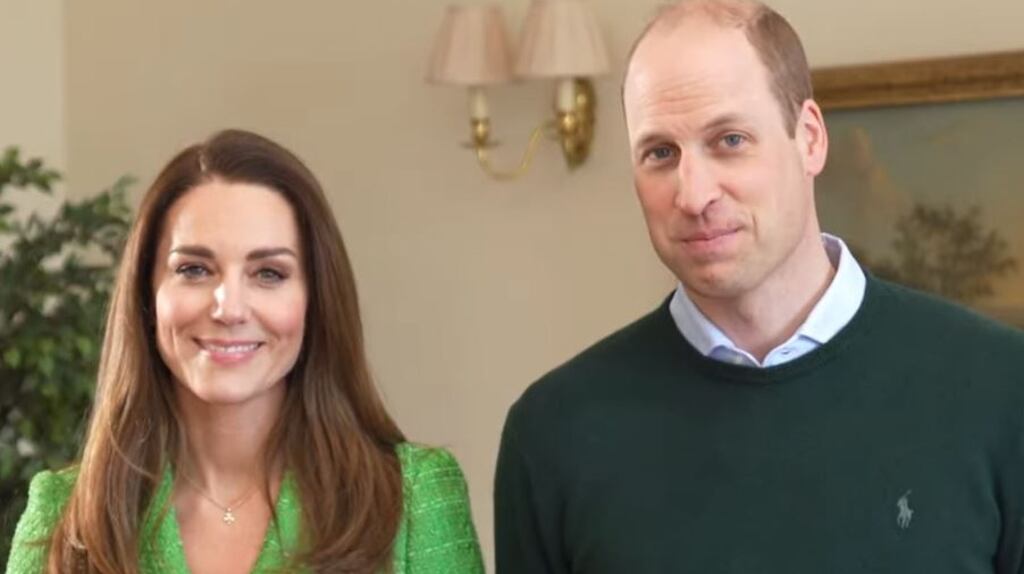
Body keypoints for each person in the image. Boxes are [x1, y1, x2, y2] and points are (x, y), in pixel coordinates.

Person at [494, 1, 1024, 572]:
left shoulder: (1002, 389)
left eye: (730, 140)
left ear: (811, 139)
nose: (693, 195)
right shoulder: (553, 433)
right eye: (660, 153)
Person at [7, 129, 484, 573]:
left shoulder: (414, 496)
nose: (229, 307)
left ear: (315, 299)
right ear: (146, 295)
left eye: (268, 274)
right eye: (194, 269)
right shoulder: (63, 514)